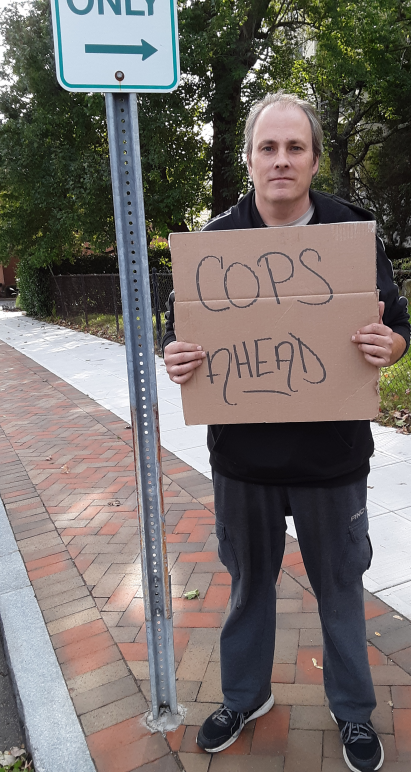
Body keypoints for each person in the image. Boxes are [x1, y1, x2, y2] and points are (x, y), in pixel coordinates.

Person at [162, 92, 410, 772]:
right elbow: (177, 336)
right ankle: (244, 697)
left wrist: (388, 345)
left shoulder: (351, 237)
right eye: (266, 147)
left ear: (313, 158)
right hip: (243, 459)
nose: (279, 160)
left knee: (339, 586)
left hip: (332, 460)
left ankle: (352, 712)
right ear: (247, 157)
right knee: (247, 585)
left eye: (293, 147)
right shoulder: (212, 245)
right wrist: (175, 356)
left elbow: (396, 326)